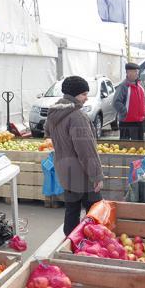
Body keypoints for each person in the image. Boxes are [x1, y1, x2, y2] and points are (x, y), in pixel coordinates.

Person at [44, 76, 104, 235]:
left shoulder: (54, 112)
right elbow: (86, 150)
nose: (86, 98)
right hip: (81, 172)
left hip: (64, 170)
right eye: (84, 94)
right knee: (95, 212)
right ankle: (93, 243)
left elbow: (47, 132)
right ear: (74, 94)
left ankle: (70, 242)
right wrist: (96, 175)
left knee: (71, 210)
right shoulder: (77, 116)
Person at [113, 62, 145, 140]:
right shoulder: (123, 86)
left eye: (137, 72)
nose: (137, 74)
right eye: (135, 71)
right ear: (128, 72)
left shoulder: (140, 85)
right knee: (126, 147)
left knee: (139, 147)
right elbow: (116, 102)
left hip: (139, 122)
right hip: (127, 123)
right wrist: (126, 112)